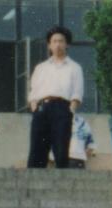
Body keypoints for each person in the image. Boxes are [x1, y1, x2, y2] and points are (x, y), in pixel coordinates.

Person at [27, 24, 84, 170]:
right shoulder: (41, 68)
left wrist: (70, 110)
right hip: (42, 109)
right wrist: (35, 108)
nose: (58, 44)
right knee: (37, 151)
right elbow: (33, 92)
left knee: (61, 150)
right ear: (49, 45)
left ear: (67, 44)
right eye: (54, 41)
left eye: (61, 41)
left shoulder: (74, 67)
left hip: (62, 109)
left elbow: (77, 93)